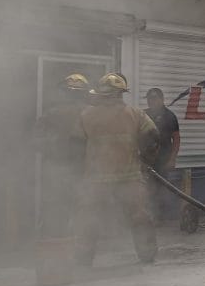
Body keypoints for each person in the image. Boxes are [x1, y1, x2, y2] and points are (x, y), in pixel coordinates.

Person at [71, 72, 160, 266]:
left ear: (101, 93)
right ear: (121, 93)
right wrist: (146, 161)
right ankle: (146, 254)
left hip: (96, 179)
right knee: (139, 216)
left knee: (89, 218)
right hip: (129, 177)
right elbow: (153, 138)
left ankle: (83, 258)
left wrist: (81, 170)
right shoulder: (135, 114)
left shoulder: (86, 115)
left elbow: (75, 146)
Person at [33, 73, 90, 239]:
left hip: (57, 169)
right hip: (83, 169)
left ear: (64, 92)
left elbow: (36, 142)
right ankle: (81, 245)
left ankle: (54, 243)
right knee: (83, 208)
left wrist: (54, 149)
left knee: (55, 208)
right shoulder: (92, 114)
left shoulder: (50, 114)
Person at [145, 87, 181, 220]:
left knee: (161, 188)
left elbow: (176, 139)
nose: (151, 101)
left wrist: (172, 159)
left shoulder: (169, 116)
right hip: (146, 159)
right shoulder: (144, 115)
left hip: (162, 160)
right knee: (146, 187)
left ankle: (160, 216)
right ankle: (147, 215)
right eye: (149, 99)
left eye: (154, 99)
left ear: (161, 99)